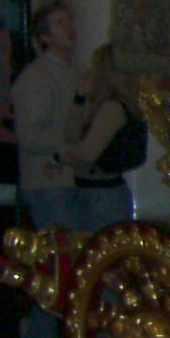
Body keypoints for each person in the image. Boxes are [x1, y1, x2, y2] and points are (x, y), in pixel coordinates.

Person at [9, 1, 79, 338]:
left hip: (67, 180)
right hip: (48, 182)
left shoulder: (72, 73)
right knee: (58, 263)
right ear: (44, 36)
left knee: (63, 263)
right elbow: (30, 134)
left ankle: (46, 337)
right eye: (60, 23)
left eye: (69, 21)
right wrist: (71, 144)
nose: (69, 27)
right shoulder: (36, 78)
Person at [63, 45, 141, 234]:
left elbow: (87, 153)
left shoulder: (112, 108)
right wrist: (80, 97)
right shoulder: (104, 104)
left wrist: (61, 158)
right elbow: (70, 134)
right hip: (97, 192)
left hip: (101, 194)